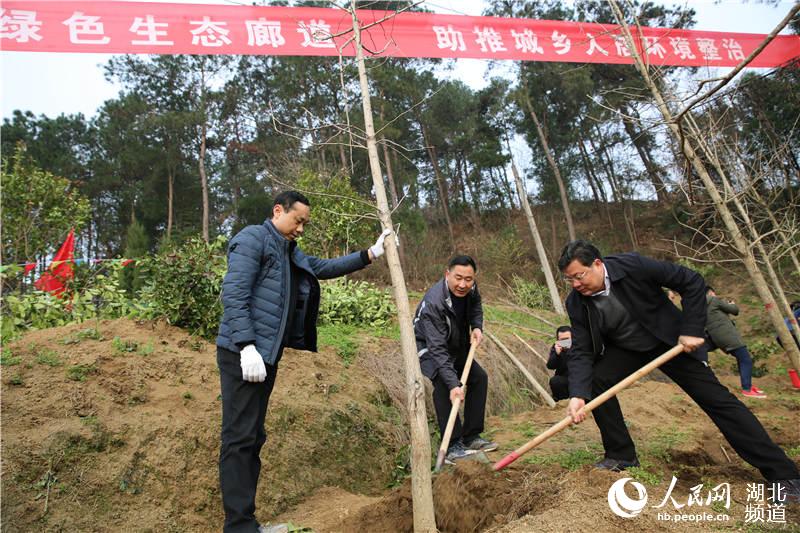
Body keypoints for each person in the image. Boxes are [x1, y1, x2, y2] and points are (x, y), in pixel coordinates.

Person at [558, 240, 799, 501]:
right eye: (569, 280)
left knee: (718, 401)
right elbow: (582, 349)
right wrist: (578, 394)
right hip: (625, 348)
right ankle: (621, 455)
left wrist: (692, 329)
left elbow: (691, 281)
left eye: (578, 276)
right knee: (596, 381)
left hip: (668, 340)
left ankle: (784, 475)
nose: (575, 284)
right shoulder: (576, 303)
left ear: (597, 264)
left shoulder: (633, 266)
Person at [216, 191, 393, 533]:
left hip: (265, 357)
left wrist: (370, 254)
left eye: (304, 224)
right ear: (278, 210)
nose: (300, 229)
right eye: (298, 221)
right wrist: (246, 346)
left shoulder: (288, 252)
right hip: (243, 355)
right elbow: (234, 293)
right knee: (239, 438)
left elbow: (323, 268)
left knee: (252, 436)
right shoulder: (253, 240)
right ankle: (238, 527)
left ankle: (246, 523)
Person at [413, 255, 497, 464]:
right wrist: (454, 385)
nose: (463, 284)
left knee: (479, 378)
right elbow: (438, 350)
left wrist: (477, 326)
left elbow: (476, 306)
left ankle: (471, 436)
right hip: (429, 347)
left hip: (456, 342)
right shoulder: (434, 303)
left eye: (468, 279)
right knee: (443, 384)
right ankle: (452, 445)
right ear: (447, 274)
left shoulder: (471, 289)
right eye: (458, 278)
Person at [705, 286, 765, 398]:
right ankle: (747, 389)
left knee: (741, 359)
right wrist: (732, 304)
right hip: (728, 336)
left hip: (716, 337)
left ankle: (748, 385)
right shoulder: (713, 300)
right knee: (745, 359)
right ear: (711, 292)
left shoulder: (699, 305)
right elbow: (735, 311)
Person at [547, 326, 573, 401]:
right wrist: (557, 354)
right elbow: (550, 366)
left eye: (567, 339)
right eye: (562, 340)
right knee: (555, 381)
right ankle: (562, 403)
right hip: (564, 379)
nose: (565, 342)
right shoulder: (557, 346)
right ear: (558, 340)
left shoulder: (579, 345)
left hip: (579, 378)